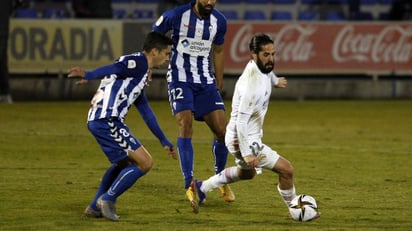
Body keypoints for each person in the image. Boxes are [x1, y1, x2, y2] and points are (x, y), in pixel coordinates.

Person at [190, 34, 317, 219]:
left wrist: (275, 81)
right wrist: (247, 152)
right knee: (287, 170)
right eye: (266, 55)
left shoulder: (261, 69)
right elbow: (241, 122)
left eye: (273, 54)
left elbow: (268, 71)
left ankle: (202, 187)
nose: (271, 59)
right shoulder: (251, 84)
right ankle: (295, 209)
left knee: (246, 174)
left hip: (244, 136)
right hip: (243, 139)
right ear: (254, 54)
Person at [67, 31, 177, 221]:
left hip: (102, 120)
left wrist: (163, 140)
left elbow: (145, 111)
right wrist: (89, 74)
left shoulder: (140, 74)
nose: (168, 58)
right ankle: (107, 199)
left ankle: (94, 207)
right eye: (166, 53)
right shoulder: (139, 62)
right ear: (154, 51)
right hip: (107, 120)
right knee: (145, 162)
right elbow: (116, 67)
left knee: (124, 164)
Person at [152, 0, 234, 213]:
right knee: (185, 123)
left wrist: (219, 81)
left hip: (205, 81)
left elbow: (219, 50)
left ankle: (220, 179)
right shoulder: (176, 15)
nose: (210, 2)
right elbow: (154, 35)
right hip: (180, 79)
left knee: (222, 132)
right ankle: (189, 183)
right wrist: (149, 65)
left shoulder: (219, 21)